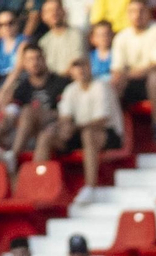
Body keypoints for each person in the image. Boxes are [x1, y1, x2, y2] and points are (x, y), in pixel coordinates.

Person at [0, 43, 68, 167]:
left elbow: (64, 115)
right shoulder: (22, 87)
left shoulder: (59, 83)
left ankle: (11, 156)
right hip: (23, 134)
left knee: (28, 111)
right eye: (30, 59)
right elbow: (13, 112)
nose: (34, 63)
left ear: (44, 59)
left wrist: (38, 114)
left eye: (37, 58)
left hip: (46, 132)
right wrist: (4, 123)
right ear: (24, 63)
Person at [111, 0, 156, 144]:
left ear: (149, 13)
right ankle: (117, 135)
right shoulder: (121, 37)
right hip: (136, 82)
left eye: (141, 11)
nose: (137, 15)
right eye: (132, 11)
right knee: (113, 84)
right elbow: (117, 70)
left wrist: (128, 74)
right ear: (127, 15)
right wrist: (122, 77)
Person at [53, 54, 119, 207]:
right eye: (76, 67)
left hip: (107, 133)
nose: (80, 70)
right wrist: (65, 127)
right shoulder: (70, 89)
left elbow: (101, 120)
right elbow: (65, 116)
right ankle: (42, 185)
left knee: (88, 135)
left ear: (90, 68)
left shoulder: (101, 86)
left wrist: (72, 127)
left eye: (83, 66)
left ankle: (91, 187)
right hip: (80, 131)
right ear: (72, 72)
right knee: (47, 137)